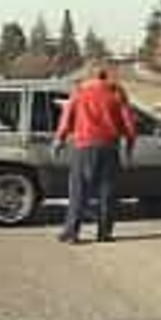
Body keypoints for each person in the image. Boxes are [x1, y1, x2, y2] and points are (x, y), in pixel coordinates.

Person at [53, 65, 136, 243]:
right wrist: (129, 145)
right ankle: (104, 233)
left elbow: (67, 118)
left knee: (79, 192)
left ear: (89, 77)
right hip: (110, 148)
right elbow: (129, 123)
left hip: (83, 147)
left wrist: (59, 140)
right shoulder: (117, 92)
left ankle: (72, 233)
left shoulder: (79, 92)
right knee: (107, 192)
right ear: (105, 77)